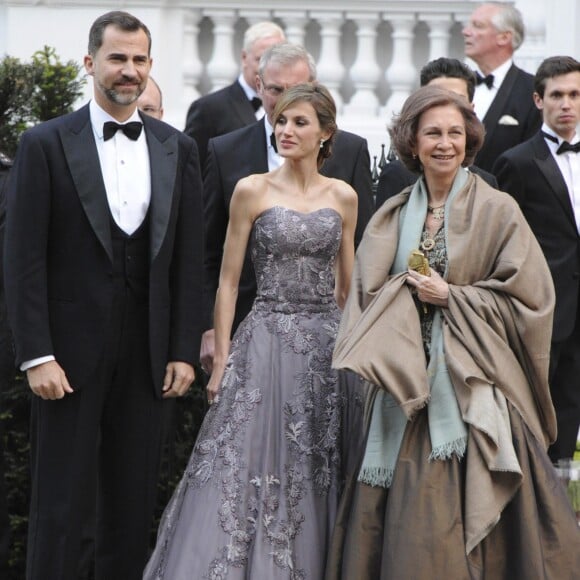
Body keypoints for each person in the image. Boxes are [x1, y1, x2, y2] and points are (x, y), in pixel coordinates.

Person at [326, 86, 580, 579]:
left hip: (472, 385)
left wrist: (454, 297)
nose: (445, 144)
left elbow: (532, 299)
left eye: (455, 134)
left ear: (470, 140)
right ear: (412, 143)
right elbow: (362, 299)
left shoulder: (498, 209)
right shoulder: (392, 215)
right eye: (433, 133)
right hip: (400, 388)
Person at [3, 11, 205, 580]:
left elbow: (189, 260)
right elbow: (22, 260)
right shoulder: (43, 144)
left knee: (131, 505)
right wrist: (36, 353)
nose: (129, 70)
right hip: (66, 355)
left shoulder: (176, 147)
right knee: (59, 505)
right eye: (118, 58)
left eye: (139, 59)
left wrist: (182, 349)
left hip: (146, 353)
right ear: (90, 63)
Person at [144, 83, 364, 578]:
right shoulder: (252, 189)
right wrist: (221, 360)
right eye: (281, 121)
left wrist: (359, 359)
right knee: (247, 464)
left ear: (326, 133)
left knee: (318, 465)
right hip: (264, 341)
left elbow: (348, 289)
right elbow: (226, 283)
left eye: (299, 122)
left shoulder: (344, 196)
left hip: (327, 350)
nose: (285, 130)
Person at [202, 42, 373, 373]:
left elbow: (353, 275)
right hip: (253, 333)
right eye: (276, 90)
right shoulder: (226, 154)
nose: (284, 105)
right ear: (259, 86)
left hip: (327, 341)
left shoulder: (350, 159)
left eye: (296, 91)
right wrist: (212, 334)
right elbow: (211, 255)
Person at [493, 56, 580, 462]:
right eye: (558, 95)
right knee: (539, 410)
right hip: (544, 310)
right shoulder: (517, 162)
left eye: (575, 94)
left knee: (573, 409)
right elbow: (509, 244)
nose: (567, 104)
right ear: (538, 99)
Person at [376, 57, 497, 209]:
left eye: (456, 100)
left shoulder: (488, 184)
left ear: (471, 110)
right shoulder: (398, 175)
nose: (446, 106)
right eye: (436, 99)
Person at [184, 21, 286, 168]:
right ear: (244, 57)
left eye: (277, 60)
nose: (269, 68)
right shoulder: (208, 108)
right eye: (261, 59)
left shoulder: (293, 106)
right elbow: (190, 168)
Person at [462, 1, 541, 172]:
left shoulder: (532, 91)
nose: (466, 32)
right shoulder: (457, 84)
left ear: (504, 37)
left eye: (478, 26)